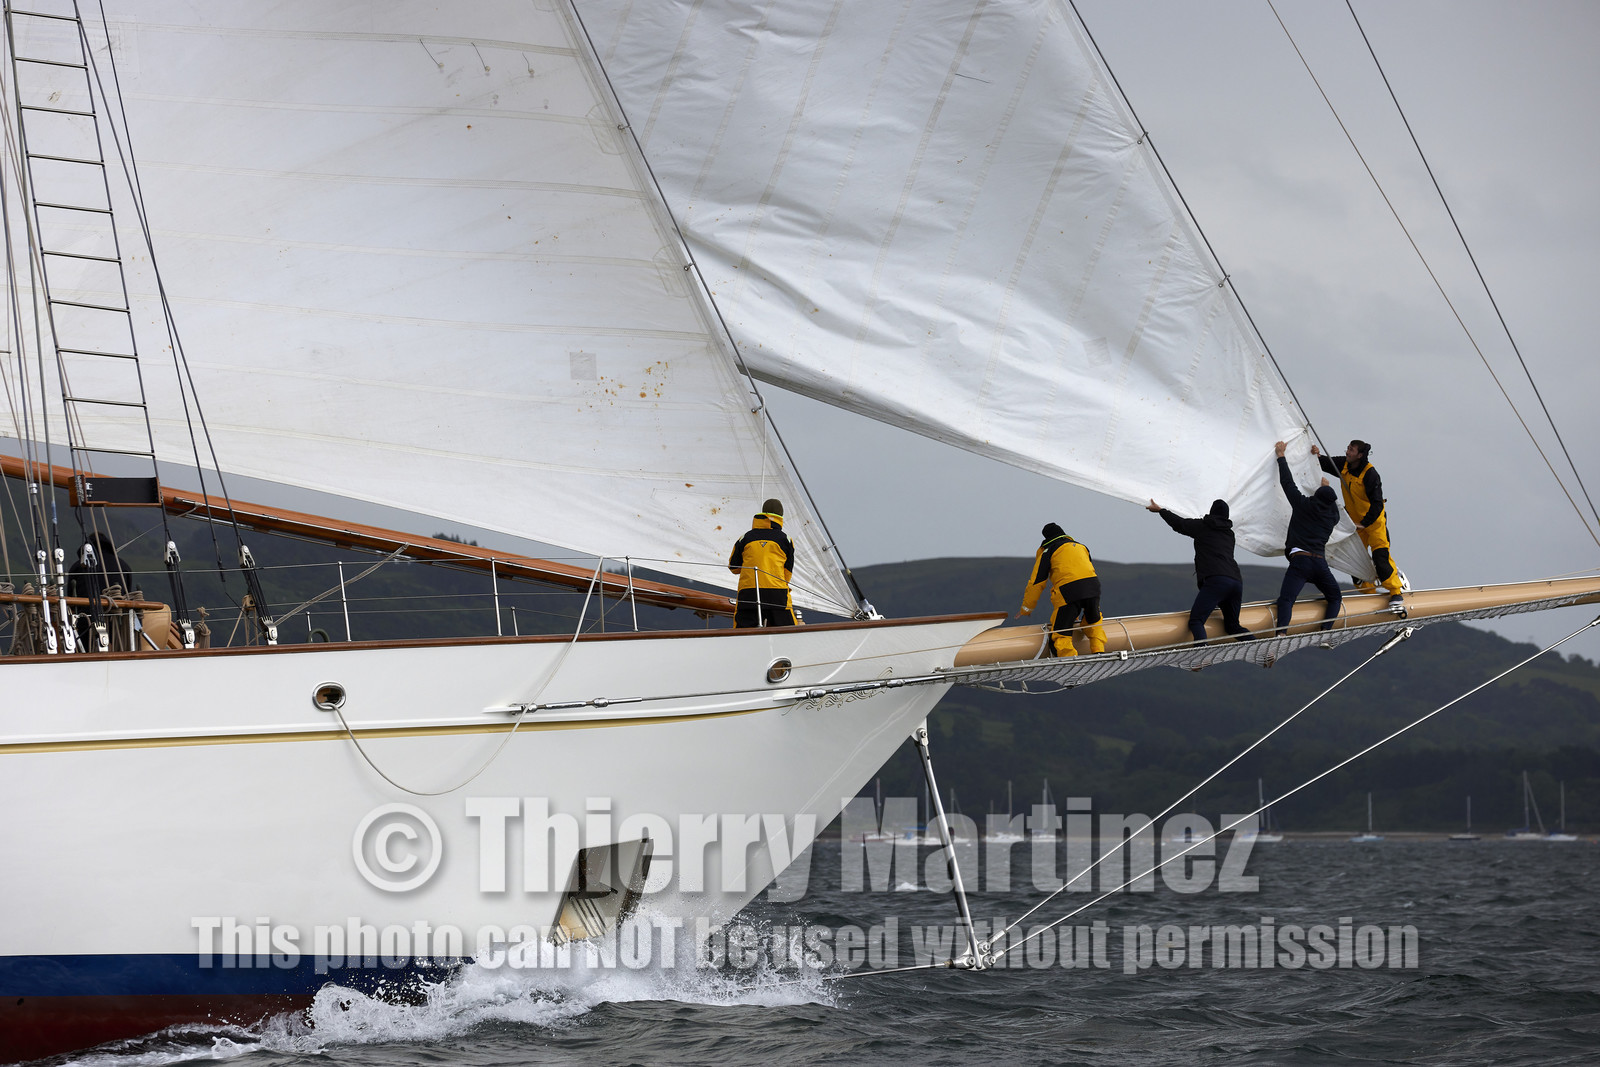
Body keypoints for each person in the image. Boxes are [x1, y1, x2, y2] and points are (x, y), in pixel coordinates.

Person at [1146, 498, 1254, 644]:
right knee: (1233, 626)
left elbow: (1179, 524)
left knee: (1196, 621)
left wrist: (1160, 511)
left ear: (1211, 512)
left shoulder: (1203, 526)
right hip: (1236, 582)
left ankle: (1202, 656)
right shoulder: (1230, 534)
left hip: (1217, 580)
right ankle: (1265, 651)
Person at [1313, 439, 1404, 603]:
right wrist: (1314, 455)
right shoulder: (1344, 465)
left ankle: (1396, 592)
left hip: (1374, 523)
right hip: (1355, 525)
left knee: (1380, 558)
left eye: (1351, 450)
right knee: (1354, 561)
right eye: (1348, 448)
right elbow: (1324, 463)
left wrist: (1365, 523)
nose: (1347, 452)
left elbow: (1377, 505)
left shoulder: (1370, 474)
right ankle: (1369, 594)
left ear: (1360, 455)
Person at [1272, 441, 1343, 634]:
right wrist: (1328, 489)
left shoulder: (1303, 504)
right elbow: (1334, 507)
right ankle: (1324, 631)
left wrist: (1281, 456)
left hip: (1300, 562)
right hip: (1320, 564)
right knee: (1335, 598)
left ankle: (1281, 635)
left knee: (1286, 600)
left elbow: (1287, 483)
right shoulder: (1333, 518)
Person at [1019, 523, 1105, 657]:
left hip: (1069, 590)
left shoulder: (1049, 551)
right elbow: (1085, 571)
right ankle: (1098, 648)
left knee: (1061, 631)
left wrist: (1026, 609)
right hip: (1093, 586)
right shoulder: (1081, 547)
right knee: (1093, 619)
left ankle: (1069, 657)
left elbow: (1036, 583)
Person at [728, 498, 796, 628]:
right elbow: (787, 573)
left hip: (749, 594)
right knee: (788, 633)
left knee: (742, 635)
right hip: (777, 595)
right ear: (780, 517)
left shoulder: (745, 538)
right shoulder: (786, 540)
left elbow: (733, 567)